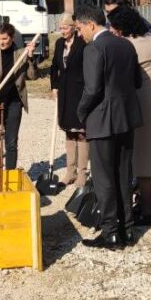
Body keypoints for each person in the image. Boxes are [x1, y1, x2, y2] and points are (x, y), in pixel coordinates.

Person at [75, 6, 143, 250]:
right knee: (123, 175)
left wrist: (81, 113)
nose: (79, 33)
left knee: (104, 179)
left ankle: (111, 233)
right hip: (126, 119)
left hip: (102, 121)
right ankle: (127, 229)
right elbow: (137, 81)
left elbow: (92, 89)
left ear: (91, 25)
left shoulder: (94, 48)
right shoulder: (125, 45)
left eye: (80, 28)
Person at [107, 6, 151, 225]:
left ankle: (146, 209)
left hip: (143, 102)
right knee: (149, 156)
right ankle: (144, 203)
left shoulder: (131, 46)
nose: (111, 30)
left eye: (113, 26)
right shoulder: (148, 37)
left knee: (146, 158)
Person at [0, 23, 38, 171]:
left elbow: (32, 76)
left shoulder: (20, 54)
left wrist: (30, 57)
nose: (1, 42)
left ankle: (10, 175)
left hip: (14, 102)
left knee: (11, 142)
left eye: (4, 38)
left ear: (11, 38)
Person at [49, 15, 88, 187]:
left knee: (81, 131)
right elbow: (54, 67)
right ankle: (70, 171)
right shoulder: (58, 44)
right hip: (64, 91)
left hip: (79, 91)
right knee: (68, 130)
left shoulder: (82, 42)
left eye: (65, 28)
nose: (62, 31)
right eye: (61, 28)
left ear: (73, 27)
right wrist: (54, 86)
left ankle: (82, 173)